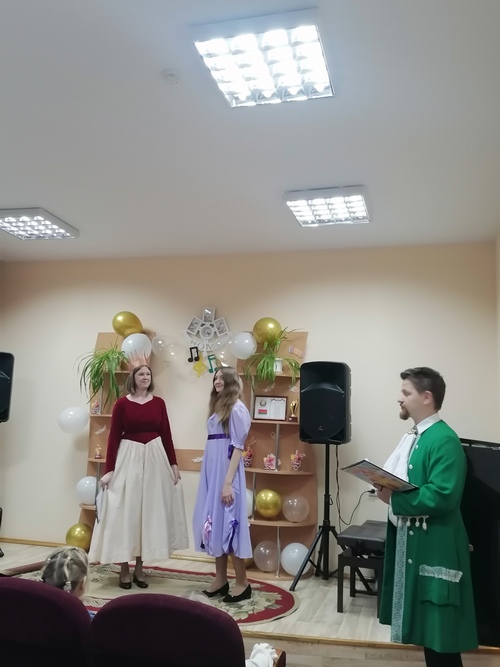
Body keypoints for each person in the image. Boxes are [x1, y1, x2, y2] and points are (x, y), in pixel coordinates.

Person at [376, 367, 477, 667]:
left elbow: (443, 494)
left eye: (406, 392)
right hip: (421, 545)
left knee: (441, 638)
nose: (400, 398)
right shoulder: (419, 437)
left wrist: (395, 499)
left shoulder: (444, 439)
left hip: (437, 547)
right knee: (431, 639)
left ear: (426, 397)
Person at [89, 364, 189, 588]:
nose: (145, 377)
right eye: (141, 374)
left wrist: (173, 463)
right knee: (128, 512)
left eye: (148, 374)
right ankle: (124, 569)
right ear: (133, 378)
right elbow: (113, 437)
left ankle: (140, 569)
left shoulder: (159, 403)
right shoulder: (122, 404)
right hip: (128, 457)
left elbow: (167, 434)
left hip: (155, 458)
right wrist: (109, 470)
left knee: (148, 513)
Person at [193, 366, 252, 603]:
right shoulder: (218, 407)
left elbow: (238, 447)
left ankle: (242, 582)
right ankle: (220, 579)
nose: (217, 381)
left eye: (221, 378)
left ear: (230, 381)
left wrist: (228, 483)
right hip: (212, 472)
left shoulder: (237, 408)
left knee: (230, 524)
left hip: (227, 474)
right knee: (215, 522)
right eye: (215, 377)